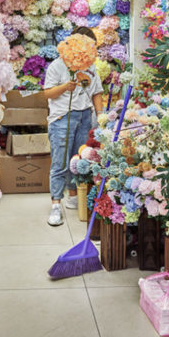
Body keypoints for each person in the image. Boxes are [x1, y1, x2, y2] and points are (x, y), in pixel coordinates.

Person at [42, 27, 103, 226]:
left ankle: (76, 196)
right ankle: (55, 205)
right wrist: (65, 87)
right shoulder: (57, 66)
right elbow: (48, 93)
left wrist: (101, 117)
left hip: (85, 116)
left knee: (80, 159)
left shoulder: (91, 67)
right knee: (60, 161)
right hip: (62, 118)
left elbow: (97, 92)